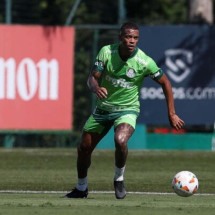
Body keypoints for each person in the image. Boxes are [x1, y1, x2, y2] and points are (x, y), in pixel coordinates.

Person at [65, 21, 185, 199]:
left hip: (127, 109)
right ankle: (81, 188)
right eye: (128, 37)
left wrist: (172, 113)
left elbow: (166, 83)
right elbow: (92, 78)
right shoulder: (107, 52)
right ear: (120, 37)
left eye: (135, 38)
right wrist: (96, 88)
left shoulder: (144, 61)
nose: (132, 41)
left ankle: (119, 178)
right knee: (83, 148)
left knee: (120, 140)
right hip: (103, 109)